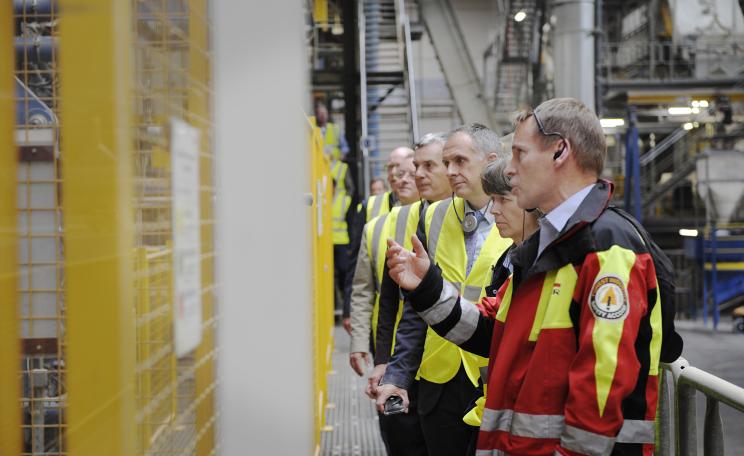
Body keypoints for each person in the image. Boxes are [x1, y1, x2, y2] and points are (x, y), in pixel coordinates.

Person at [387, 98, 662, 455]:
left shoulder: (605, 248)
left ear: (560, 152)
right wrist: (428, 287)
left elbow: (602, 385)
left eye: (518, 154)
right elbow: (491, 332)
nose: (510, 169)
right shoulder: (544, 245)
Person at [376, 124, 512, 456]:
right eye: (446, 162)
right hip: (439, 378)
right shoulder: (434, 216)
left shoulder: (516, 216)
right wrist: (399, 374)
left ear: (491, 161)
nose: (450, 171)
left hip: (490, 373)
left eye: (460, 161)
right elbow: (415, 308)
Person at [347, 151, 420, 455]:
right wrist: (359, 341)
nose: (396, 177)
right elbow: (364, 289)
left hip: (437, 347)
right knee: (396, 431)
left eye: (404, 171)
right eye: (391, 170)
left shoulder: (440, 218)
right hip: (388, 344)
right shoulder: (376, 226)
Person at [344, 147, 413, 334]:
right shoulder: (370, 206)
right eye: (389, 167)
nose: (393, 174)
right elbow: (356, 266)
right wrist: (348, 311)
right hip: (381, 316)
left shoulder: (429, 211)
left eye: (398, 168)